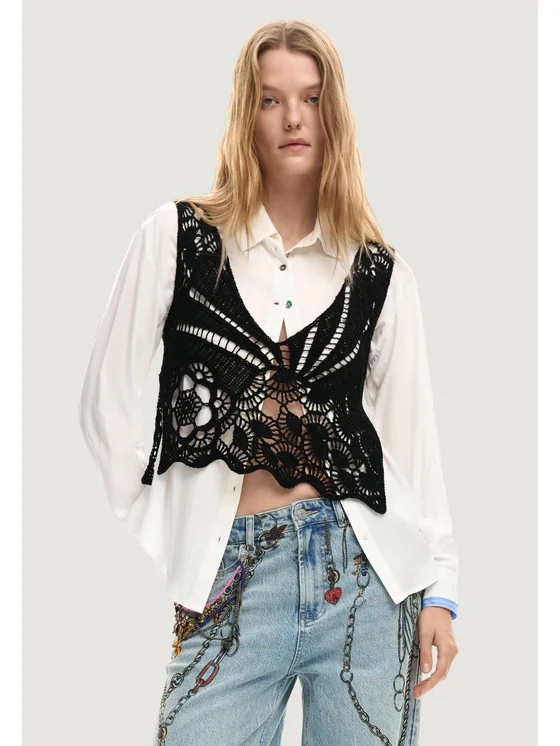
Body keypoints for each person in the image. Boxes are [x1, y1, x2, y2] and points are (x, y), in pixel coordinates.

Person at [79, 19, 459, 746]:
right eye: (271, 99)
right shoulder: (179, 239)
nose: (293, 118)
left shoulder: (381, 274)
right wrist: (173, 528)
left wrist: (440, 590)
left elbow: (413, 447)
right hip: (230, 578)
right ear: (244, 115)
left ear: (333, 115)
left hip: (368, 583)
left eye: (311, 98)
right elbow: (105, 402)